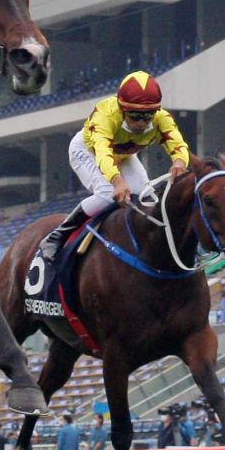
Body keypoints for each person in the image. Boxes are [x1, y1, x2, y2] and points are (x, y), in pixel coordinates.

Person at [26, 70, 193, 289]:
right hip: (88, 151)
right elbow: (103, 153)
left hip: (123, 156)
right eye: (134, 116)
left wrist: (180, 162)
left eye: (147, 116)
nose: (142, 123)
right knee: (107, 194)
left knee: (148, 197)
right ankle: (56, 237)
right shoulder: (105, 114)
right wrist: (117, 181)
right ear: (122, 109)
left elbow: (178, 145)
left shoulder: (162, 118)